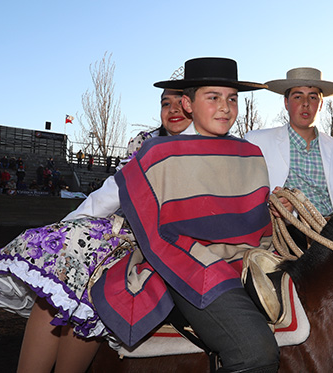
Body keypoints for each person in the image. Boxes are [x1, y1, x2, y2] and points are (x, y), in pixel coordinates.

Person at [0, 77, 194, 372]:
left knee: (94, 291)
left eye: (180, 102)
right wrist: (65, 229)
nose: (172, 109)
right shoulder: (146, 143)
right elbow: (112, 193)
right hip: (124, 234)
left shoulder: (211, 146)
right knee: (58, 281)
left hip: (168, 246)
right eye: (165, 103)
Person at [92, 57, 278, 372]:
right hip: (189, 264)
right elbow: (114, 204)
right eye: (214, 97)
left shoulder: (252, 155)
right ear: (188, 104)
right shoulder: (158, 153)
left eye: (232, 99)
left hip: (248, 259)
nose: (225, 107)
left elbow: (257, 221)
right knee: (256, 352)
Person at [245, 67, 333, 218]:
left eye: (313, 97)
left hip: (332, 231)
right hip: (285, 232)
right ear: (286, 103)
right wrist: (280, 205)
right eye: (298, 97)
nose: (305, 104)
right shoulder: (257, 142)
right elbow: (246, 193)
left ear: (321, 104)